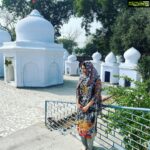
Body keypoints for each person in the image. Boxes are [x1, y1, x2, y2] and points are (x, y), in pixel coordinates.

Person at [76, 61, 102, 150]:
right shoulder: (81, 77)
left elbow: (96, 94)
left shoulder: (96, 79)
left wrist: (87, 106)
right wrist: (77, 103)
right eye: (82, 68)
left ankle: (89, 148)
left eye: (85, 68)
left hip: (91, 108)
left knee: (89, 129)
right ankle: (84, 146)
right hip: (81, 108)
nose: (83, 70)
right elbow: (77, 92)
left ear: (89, 68)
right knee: (81, 127)